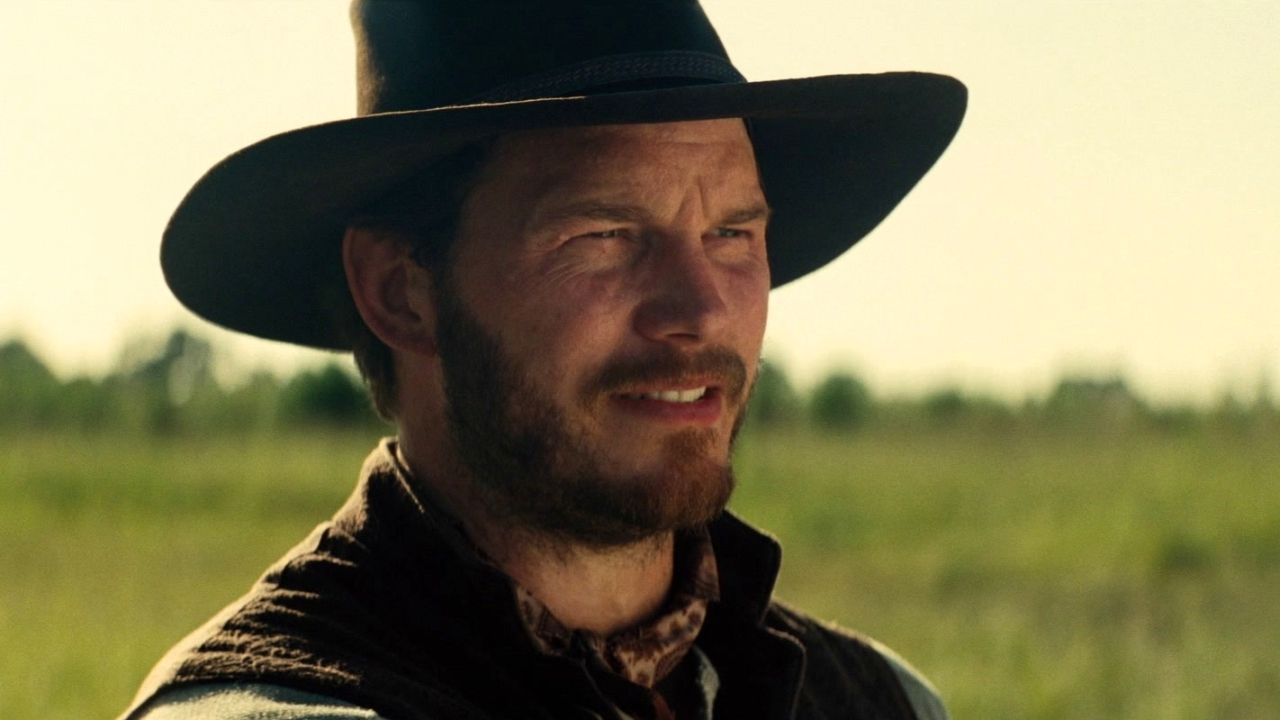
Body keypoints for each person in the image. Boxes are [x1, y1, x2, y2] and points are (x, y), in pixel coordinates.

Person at [121, 1, 965, 718]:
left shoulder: (880, 700)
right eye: (605, 234)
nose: (702, 311)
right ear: (400, 291)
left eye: (731, 233)